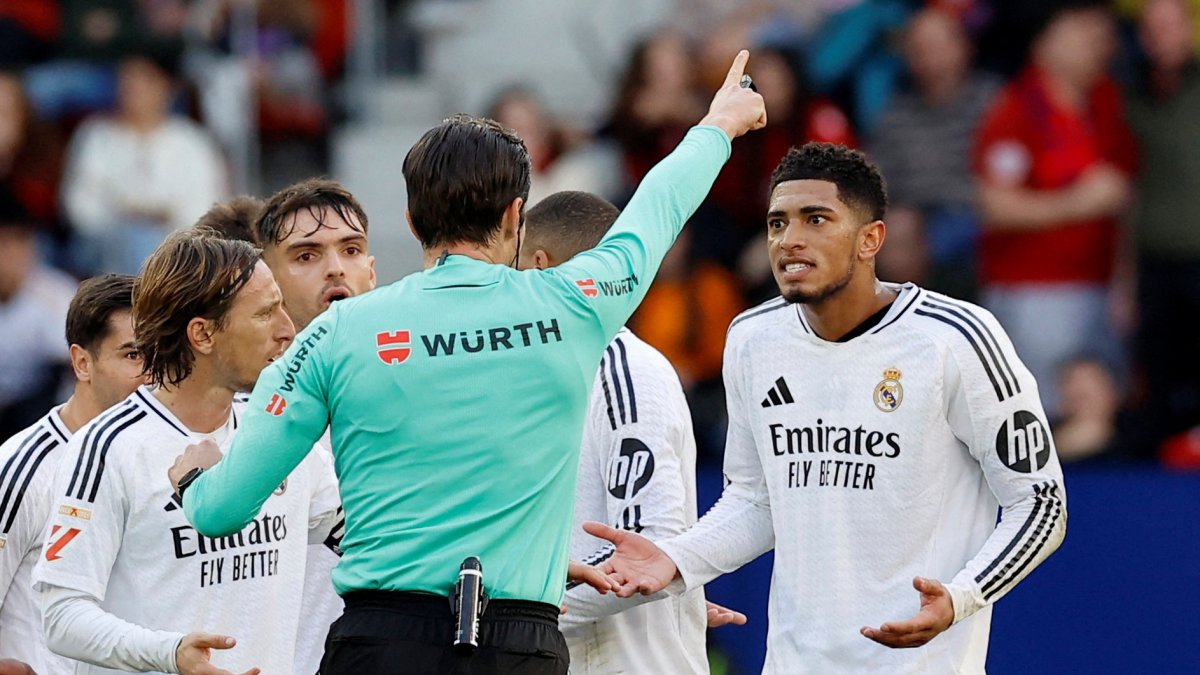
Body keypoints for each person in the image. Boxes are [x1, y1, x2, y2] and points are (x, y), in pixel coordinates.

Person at [169, 52, 765, 675]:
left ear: (410, 220)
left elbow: (221, 511)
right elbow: (655, 212)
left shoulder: (335, 334)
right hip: (517, 644)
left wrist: (194, 474)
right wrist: (718, 123)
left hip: (380, 643)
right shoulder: (571, 305)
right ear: (515, 215)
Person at [585, 143, 1067, 673]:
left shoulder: (955, 339)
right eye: (776, 224)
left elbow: (1041, 503)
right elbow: (754, 501)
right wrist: (677, 558)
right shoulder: (753, 337)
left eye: (816, 220)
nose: (789, 240)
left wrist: (963, 597)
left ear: (871, 239)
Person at [33, 230, 341, 675]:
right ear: (202, 334)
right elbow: (61, 618)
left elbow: (354, 539)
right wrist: (171, 653)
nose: (287, 331)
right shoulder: (107, 448)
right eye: (264, 314)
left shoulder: (278, 433)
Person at [519, 191, 711, 674]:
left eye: (512, 264)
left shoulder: (624, 373)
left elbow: (650, 542)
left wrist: (524, 608)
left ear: (540, 266)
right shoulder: (544, 374)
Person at [973, 0, 1136, 417]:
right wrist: (1077, 203)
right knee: (1039, 413)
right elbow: (994, 205)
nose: (1094, 43)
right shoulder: (1015, 107)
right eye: (1080, 31)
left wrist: (1124, 283)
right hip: (1034, 289)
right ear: (1044, 43)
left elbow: (1123, 202)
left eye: (1100, 35)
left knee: (1101, 410)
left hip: (1100, 283)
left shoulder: (1107, 102)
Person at [250, 178, 376, 674]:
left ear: (372, 270)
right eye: (306, 256)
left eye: (351, 249)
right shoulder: (240, 414)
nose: (334, 268)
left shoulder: (428, 393)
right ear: (267, 283)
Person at [0, 274, 146, 675]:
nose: (152, 374)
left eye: (160, 353)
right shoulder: (21, 469)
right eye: (133, 355)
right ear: (82, 362)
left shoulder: (164, 457)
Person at [868, 7, 1000, 301]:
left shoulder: (994, 102)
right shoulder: (896, 112)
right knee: (887, 231)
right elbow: (876, 180)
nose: (927, 56)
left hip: (977, 214)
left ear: (965, 46)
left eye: (937, 45)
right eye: (918, 48)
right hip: (913, 217)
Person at [61, 45, 228, 274]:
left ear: (167, 87)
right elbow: (78, 206)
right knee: (134, 239)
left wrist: (161, 217)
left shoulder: (192, 141)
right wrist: (125, 215)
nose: (133, 87)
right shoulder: (96, 135)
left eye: (144, 79)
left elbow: (208, 207)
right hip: (104, 246)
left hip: (178, 250)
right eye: (126, 79)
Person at [1126, 0, 1200, 450]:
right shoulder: (1132, 95)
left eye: (1171, 26)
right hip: (1154, 263)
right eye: (1153, 28)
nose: (1162, 37)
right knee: (1157, 380)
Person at [0, 190, 76, 442]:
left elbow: (73, 368)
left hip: (34, 412)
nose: (7, 258)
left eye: (15, 244)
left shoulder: (56, 295)